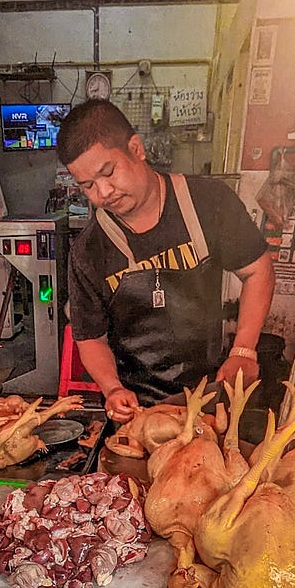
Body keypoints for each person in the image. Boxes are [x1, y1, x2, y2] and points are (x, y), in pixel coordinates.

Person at [58, 99, 275, 422]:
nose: (103, 192)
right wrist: (112, 388)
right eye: (87, 185)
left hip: (212, 395)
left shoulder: (208, 203)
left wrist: (243, 349)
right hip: (138, 410)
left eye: (108, 172)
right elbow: (90, 337)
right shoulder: (89, 250)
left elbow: (258, 270)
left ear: (136, 149)